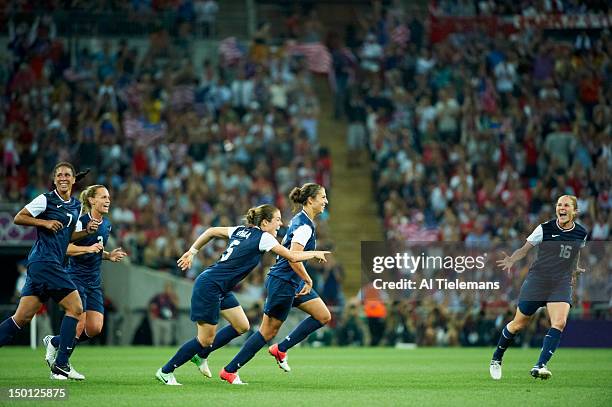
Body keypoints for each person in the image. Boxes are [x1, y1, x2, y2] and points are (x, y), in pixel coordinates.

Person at [155, 204, 330, 385]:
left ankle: (201, 356)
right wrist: (314, 253)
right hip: (210, 286)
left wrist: (192, 251)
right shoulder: (264, 238)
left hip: (219, 285)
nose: (280, 223)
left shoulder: (240, 230)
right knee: (205, 339)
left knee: (241, 325)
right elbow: (292, 256)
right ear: (264, 222)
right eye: (277, 220)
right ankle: (166, 371)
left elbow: (212, 231)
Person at [221, 183, 331, 384]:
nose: (326, 201)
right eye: (322, 197)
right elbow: (293, 257)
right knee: (267, 331)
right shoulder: (304, 226)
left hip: (292, 281)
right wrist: (308, 278)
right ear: (310, 200)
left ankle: (280, 349)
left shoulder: (303, 220)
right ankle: (230, 370)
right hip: (284, 281)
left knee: (323, 315)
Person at [0, 162, 99, 380]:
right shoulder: (46, 199)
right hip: (45, 262)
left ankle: (61, 361)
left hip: (45, 265)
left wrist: (85, 233)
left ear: (74, 180)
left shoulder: (75, 206)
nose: (63, 178)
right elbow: (19, 217)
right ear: (54, 180)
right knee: (76, 307)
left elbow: (66, 237)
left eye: (67, 175)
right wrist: (44, 223)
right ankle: (61, 364)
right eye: (59, 175)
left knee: (21, 318)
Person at [489, 195, 588, 380]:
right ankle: (496, 358)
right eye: (559, 204)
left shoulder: (581, 233)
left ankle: (540, 365)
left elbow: (575, 253)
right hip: (538, 281)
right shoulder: (544, 229)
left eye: (566, 205)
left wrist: (574, 270)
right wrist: (512, 259)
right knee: (518, 324)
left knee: (559, 322)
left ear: (574, 211)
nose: (562, 208)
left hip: (561, 282)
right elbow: (525, 249)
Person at [43, 185, 127, 376]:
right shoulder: (80, 221)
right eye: (103, 197)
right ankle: (60, 368)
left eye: (109, 197)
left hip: (94, 282)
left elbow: (95, 248)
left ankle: (55, 342)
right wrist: (88, 250)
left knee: (95, 328)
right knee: (78, 325)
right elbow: (65, 248)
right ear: (92, 201)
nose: (108, 201)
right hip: (75, 278)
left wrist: (108, 255)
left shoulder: (106, 225)